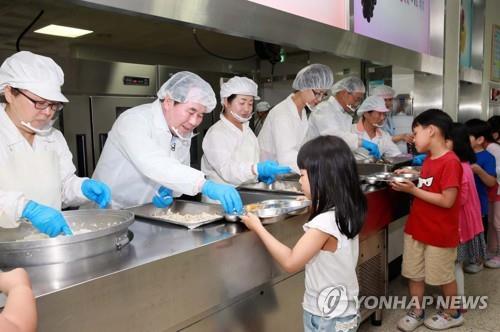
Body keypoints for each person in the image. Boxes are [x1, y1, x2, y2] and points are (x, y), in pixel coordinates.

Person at [242, 135, 367, 332]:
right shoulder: (347, 209)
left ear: (321, 178)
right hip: (342, 309)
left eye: (302, 175)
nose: (299, 181)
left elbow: (291, 262)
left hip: (327, 317)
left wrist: (258, 227)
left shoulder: (324, 224)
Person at [92, 71, 243, 214]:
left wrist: (168, 190)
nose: (194, 121)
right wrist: (204, 184)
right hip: (108, 213)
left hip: (146, 215)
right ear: (169, 102)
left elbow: (178, 172)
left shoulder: (181, 131)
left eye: (200, 115)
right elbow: (152, 162)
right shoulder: (134, 120)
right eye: (191, 112)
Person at [0, 51, 111, 238]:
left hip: (49, 242)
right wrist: (24, 208)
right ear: (10, 93)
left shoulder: (53, 137)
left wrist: (81, 187)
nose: (48, 113)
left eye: (53, 105)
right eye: (40, 103)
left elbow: (63, 186)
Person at [391, 109, 464, 331]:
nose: (413, 138)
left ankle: (452, 313)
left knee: (443, 275)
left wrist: (412, 190)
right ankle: (417, 311)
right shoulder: (431, 160)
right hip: (417, 228)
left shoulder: (451, 162)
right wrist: (413, 173)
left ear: (430, 130)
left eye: (416, 132)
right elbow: (430, 181)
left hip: (439, 232)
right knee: (414, 272)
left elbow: (447, 200)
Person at [201, 76, 291, 187]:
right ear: (226, 102)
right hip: (220, 200)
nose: (247, 109)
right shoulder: (217, 133)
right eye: (242, 103)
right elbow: (227, 171)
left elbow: (249, 162)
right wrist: (255, 169)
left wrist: (259, 175)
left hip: (247, 193)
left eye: (250, 103)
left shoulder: (247, 131)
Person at [258, 64, 334, 173]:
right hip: (270, 175)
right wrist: (314, 172)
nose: (320, 99)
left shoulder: (302, 112)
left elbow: (300, 148)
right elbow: (287, 157)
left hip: (286, 173)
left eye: (324, 94)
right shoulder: (282, 113)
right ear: (304, 86)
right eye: (317, 93)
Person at [447, 123, 486, 301]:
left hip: (460, 226)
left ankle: (458, 302)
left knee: (453, 265)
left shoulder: (458, 167)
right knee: (455, 265)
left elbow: (458, 199)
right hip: (465, 224)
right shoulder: (465, 163)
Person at [304, 76, 381, 159]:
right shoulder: (324, 109)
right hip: (317, 161)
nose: (357, 104)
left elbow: (343, 142)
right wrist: (361, 142)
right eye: (356, 99)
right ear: (345, 93)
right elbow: (333, 136)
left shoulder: (344, 114)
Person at [464, 119, 497, 273]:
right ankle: (469, 257)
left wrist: (479, 171)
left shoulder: (488, 157)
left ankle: (478, 260)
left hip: (479, 202)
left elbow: (491, 182)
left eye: (468, 136)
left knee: (478, 232)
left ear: (480, 139)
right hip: (465, 202)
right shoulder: (464, 154)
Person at [485, 116, 500, 268]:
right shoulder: (493, 146)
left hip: (497, 189)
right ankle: (492, 250)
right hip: (493, 189)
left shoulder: (493, 148)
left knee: (497, 222)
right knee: (492, 221)